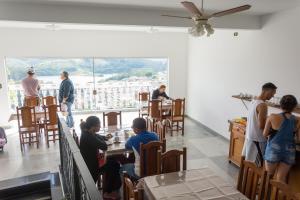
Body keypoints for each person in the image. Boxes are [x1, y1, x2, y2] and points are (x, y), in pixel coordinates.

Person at [263, 95, 300, 182]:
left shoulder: (272, 116)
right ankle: (278, 195)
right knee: (281, 179)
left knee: (268, 176)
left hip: (274, 150)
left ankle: (264, 194)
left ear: (280, 105)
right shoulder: (298, 120)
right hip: (289, 151)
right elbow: (298, 139)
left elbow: (264, 134)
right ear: (294, 106)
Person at [242, 82, 277, 167]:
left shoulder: (253, 101)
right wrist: (273, 131)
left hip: (250, 137)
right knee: (256, 167)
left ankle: (246, 180)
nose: (272, 96)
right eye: (272, 93)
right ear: (267, 91)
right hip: (258, 140)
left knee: (248, 164)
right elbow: (261, 125)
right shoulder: (263, 105)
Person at [79, 116, 111, 182]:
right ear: (94, 127)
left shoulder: (87, 132)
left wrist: (104, 137)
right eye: (99, 125)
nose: (100, 127)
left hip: (90, 161)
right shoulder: (88, 136)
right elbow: (104, 146)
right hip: (92, 167)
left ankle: (109, 189)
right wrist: (104, 140)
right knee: (113, 164)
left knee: (112, 160)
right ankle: (108, 190)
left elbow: (97, 136)